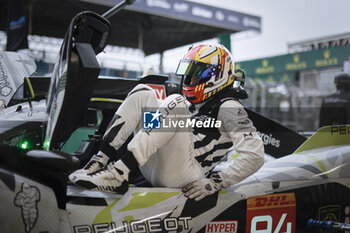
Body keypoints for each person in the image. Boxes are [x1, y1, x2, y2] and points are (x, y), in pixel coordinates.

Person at [69, 43, 265, 201]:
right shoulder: (197, 102)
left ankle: (117, 173)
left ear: (215, 74)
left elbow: (255, 155)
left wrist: (216, 182)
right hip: (157, 166)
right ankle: (97, 163)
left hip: (186, 174)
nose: (189, 79)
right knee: (143, 92)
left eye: (196, 74)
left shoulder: (230, 106)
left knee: (175, 101)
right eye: (188, 73)